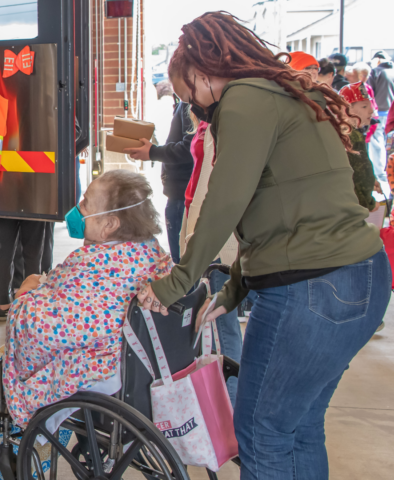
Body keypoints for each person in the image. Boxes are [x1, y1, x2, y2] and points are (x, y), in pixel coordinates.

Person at [137, 13, 389, 479]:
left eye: (189, 92)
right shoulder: (286, 91)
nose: (194, 106)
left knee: (261, 432)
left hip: (309, 288)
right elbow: (285, 210)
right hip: (362, 274)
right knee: (300, 427)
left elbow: (227, 199)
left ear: (203, 69)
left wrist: (177, 281)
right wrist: (234, 287)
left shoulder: (243, 99)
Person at [0, 170, 172, 478]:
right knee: (35, 361)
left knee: (8, 360)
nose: (78, 209)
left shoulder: (95, 268)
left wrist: (25, 295)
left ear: (110, 224)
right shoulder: (149, 253)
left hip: (99, 377)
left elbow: (42, 329)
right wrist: (49, 286)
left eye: (86, 204)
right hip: (132, 369)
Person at [179, 107, 242, 406]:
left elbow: (220, 189)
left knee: (223, 323)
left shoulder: (229, 119)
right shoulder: (204, 120)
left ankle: (233, 404)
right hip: (195, 217)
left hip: (217, 234)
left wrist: (207, 238)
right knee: (212, 321)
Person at [125, 102, 194, 263]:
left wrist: (153, 152)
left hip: (183, 194)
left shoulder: (191, 106)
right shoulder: (186, 104)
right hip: (180, 192)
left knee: (182, 260)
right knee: (181, 258)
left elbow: (190, 148)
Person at [0, 219, 48, 321]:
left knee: (4, 253)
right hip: (34, 206)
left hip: (5, 205)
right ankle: (30, 306)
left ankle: (3, 305)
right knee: (33, 255)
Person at [339, 82, 381, 211]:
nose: (371, 110)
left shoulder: (341, 131)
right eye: (364, 106)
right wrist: (369, 203)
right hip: (354, 211)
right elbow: (358, 177)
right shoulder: (352, 136)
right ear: (347, 109)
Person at [368, 51, 394, 198]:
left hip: (380, 112)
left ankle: (380, 172)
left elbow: (369, 93)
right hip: (390, 112)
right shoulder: (392, 71)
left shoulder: (376, 72)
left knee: (377, 143)